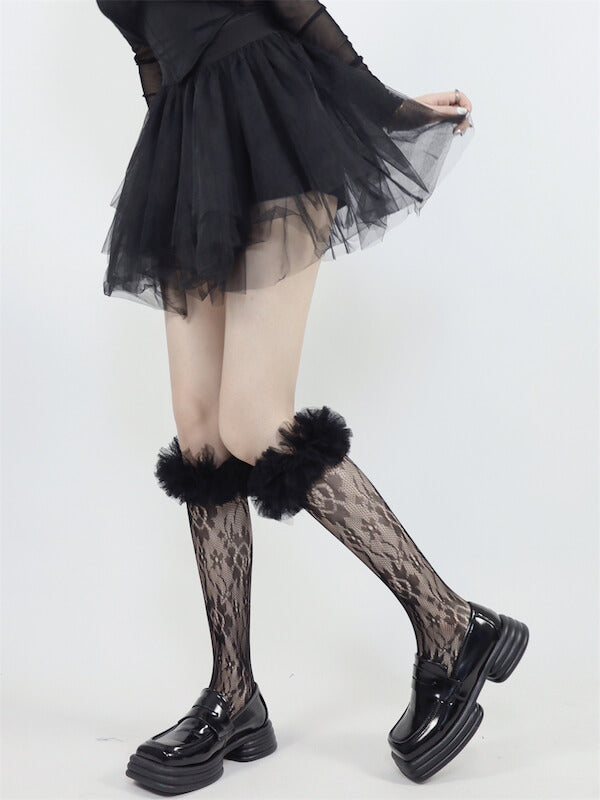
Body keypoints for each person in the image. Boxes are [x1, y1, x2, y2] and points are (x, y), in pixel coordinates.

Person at [96, 0, 528, 792]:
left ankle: (450, 623)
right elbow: (149, 56)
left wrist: (384, 107)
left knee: (253, 420)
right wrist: (172, 182)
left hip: (272, 123)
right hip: (188, 150)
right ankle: (235, 695)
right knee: (201, 435)